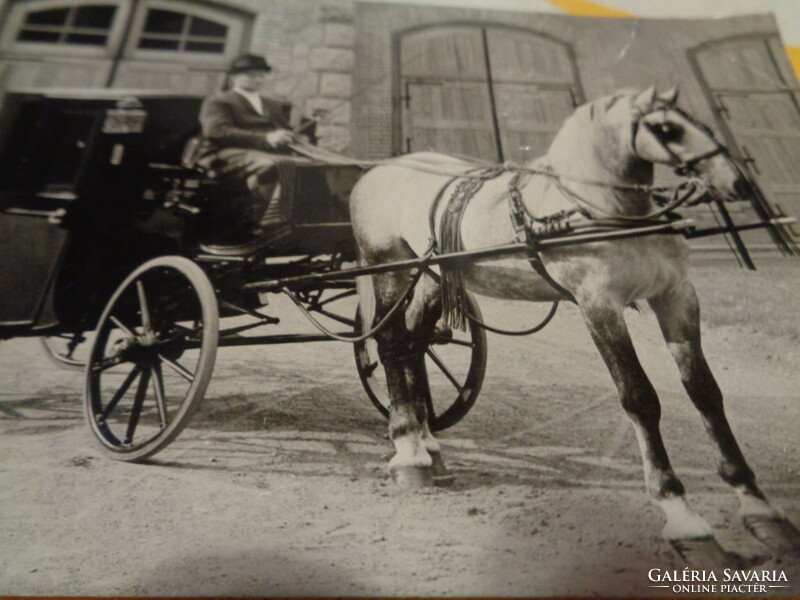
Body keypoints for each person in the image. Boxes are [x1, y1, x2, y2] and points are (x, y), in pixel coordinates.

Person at [195, 53, 302, 242]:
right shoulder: (220, 101)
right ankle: (262, 221)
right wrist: (267, 138)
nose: (258, 79)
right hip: (224, 153)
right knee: (273, 164)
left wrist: (289, 136)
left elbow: (283, 130)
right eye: (251, 75)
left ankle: (298, 218)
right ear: (235, 76)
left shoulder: (271, 104)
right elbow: (217, 132)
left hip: (263, 153)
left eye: (261, 75)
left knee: (311, 165)